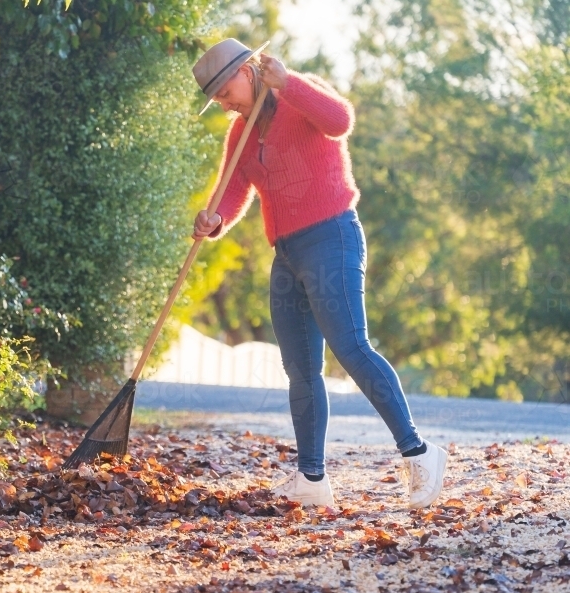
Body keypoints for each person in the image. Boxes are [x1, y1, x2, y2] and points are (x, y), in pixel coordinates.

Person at [190, 38, 448, 509]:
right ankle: (311, 478)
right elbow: (233, 190)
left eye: (224, 89)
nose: (222, 102)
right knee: (301, 368)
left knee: (350, 345)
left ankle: (420, 452)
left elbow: (340, 121)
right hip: (286, 252)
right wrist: (215, 220)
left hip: (331, 236)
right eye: (216, 98)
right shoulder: (240, 132)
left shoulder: (296, 93)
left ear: (248, 70)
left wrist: (287, 83)